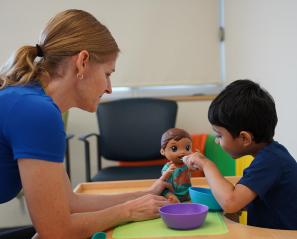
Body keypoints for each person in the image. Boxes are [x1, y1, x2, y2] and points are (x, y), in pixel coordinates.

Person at [0, 9, 172, 238]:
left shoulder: (28, 101)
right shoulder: (37, 112)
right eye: (108, 73)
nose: (109, 88)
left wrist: (145, 194)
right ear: (82, 62)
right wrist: (129, 211)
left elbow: (71, 203)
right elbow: (56, 232)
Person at [183, 79, 297, 230]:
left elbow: (231, 202)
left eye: (219, 135)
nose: (217, 141)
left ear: (244, 138)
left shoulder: (270, 161)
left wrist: (206, 164)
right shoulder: (271, 155)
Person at [160, 128, 193, 203]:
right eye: (174, 148)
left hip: (186, 192)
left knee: (193, 194)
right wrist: (168, 172)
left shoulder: (187, 164)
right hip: (172, 191)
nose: (182, 152)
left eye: (187, 148)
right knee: (164, 192)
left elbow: (193, 169)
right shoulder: (168, 166)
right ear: (162, 151)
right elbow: (162, 180)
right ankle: (172, 199)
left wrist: (196, 164)